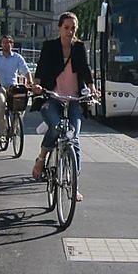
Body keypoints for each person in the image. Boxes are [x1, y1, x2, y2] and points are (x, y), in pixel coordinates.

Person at [31, 12, 97, 201]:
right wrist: (37, 85)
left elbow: (85, 69)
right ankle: (41, 159)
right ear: (59, 28)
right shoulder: (50, 47)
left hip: (74, 99)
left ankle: (73, 182)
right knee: (56, 126)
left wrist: (92, 89)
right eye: (66, 27)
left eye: (73, 28)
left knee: (73, 138)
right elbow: (41, 67)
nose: (70, 31)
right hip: (52, 97)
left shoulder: (79, 48)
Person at [0, 35, 32, 137]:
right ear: (1, 44)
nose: (6, 44)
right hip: (0, 87)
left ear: (12, 44)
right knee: (1, 105)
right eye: (4, 42)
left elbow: (26, 70)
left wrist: (30, 81)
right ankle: (2, 132)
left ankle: (16, 126)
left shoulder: (17, 57)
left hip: (13, 87)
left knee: (21, 104)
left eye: (9, 42)